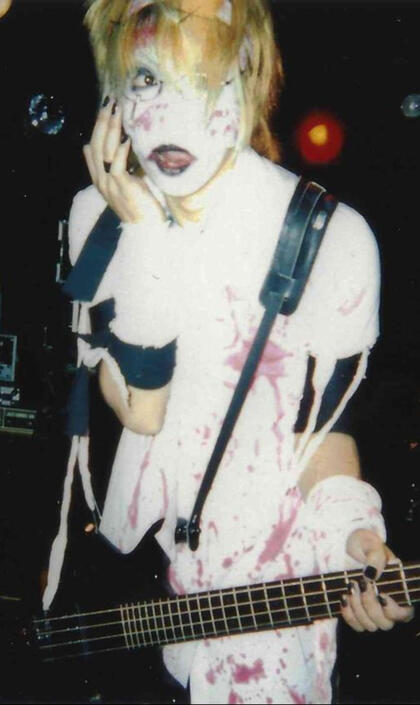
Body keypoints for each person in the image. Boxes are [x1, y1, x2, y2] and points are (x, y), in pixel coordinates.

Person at [43, 0, 414, 702]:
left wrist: (357, 537)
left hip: (265, 625)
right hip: (138, 599)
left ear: (247, 71)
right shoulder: (99, 216)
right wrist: (142, 235)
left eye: (201, 77)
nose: (169, 115)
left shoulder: (328, 238)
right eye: (147, 79)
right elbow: (140, 412)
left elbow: (319, 433)